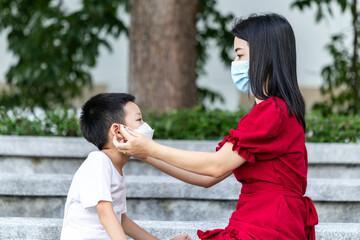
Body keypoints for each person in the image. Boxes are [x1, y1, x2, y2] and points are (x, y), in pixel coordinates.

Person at [113, 13, 319, 240]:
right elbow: (207, 179)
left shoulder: (273, 111)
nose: (236, 64)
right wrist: (144, 154)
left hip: (269, 224)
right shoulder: (275, 111)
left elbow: (215, 167)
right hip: (261, 220)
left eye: (240, 55)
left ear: (264, 55)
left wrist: (150, 149)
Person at [61, 93, 191, 240]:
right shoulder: (99, 162)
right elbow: (105, 213)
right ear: (117, 131)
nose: (145, 126)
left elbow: (121, 220)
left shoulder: (114, 167)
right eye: (139, 120)